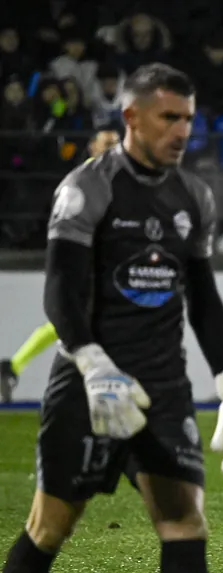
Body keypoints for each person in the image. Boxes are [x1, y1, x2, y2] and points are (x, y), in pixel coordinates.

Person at [0, 64, 223, 573]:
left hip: (162, 386)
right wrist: (94, 365)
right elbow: (60, 293)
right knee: (48, 529)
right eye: (170, 118)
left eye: (188, 118)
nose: (184, 130)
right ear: (132, 118)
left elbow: (204, 299)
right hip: (89, 384)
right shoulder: (87, 189)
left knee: (184, 523)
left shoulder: (193, 197)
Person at [1, 127, 121, 403]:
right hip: (85, 256)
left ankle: (13, 367)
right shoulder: (90, 177)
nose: (112, 149)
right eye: (107, 143)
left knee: (75, 319)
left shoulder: (110, 177)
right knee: (78, 317)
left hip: (99, 257)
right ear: (92, 147)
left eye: (116, 144)